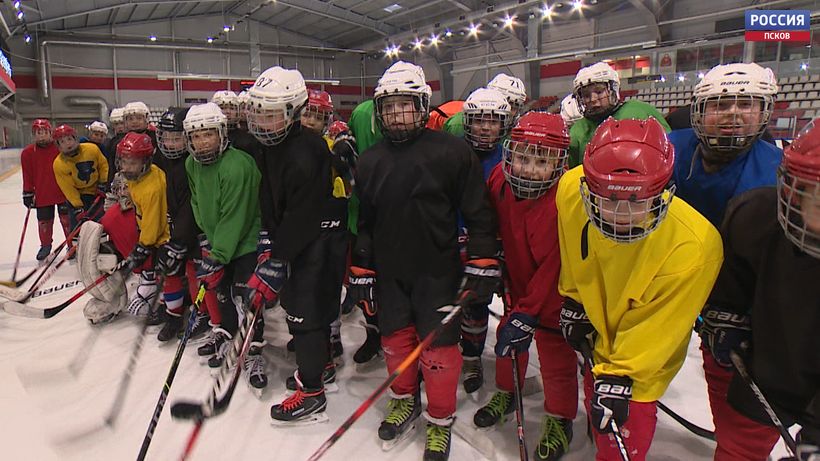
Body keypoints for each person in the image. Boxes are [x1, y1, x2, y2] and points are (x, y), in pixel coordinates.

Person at [351, 60, 498, 461]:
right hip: (391, 270)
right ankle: (403, 398)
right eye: (389, 106)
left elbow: (479, 211)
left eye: (405, 104)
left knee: (437, 351)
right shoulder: (369, 161)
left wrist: (484, 258)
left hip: (438, 269)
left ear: (421, 105)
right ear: (379, 111)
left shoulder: (452, 152)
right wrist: (361, 266)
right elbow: (364, 220)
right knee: (395, 342)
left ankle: (439, 418)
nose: (397, 114)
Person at [556, 117, 722, 460]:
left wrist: (622, 375)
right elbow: (573, 247)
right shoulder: (571, 190)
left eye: (635, 201)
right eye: (607, 199)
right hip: (599, 326)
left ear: (661, 190)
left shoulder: (695, 246)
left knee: (627, 426)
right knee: (595, 404)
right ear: (589, 185)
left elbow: (658, 329)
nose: (619, 214)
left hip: (644, 356)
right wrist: (574, 299)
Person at [698, 119, 820, 461]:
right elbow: (729, 285)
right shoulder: (754, 217)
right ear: (794, 193)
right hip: (767, 368)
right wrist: (725, 315)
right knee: (738, 450)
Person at [245, 65, 349, 420]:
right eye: (258, 113)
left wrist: (279, 257)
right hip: (296, 240)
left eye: (271, 115)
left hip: (319, 241)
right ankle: (323, 367)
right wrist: (269, 241)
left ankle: (312, 392)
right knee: (297, 306)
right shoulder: (268, 147)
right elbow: (271, 199)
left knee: (306, 314)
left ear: (293, 113)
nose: (262, 122)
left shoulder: (308, 151)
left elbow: (305, 214)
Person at [475, 111, 579, 460]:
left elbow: (556, 266)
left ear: (559, 163)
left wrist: (530, 311)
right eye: (522, 158)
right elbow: (491, 223)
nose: (529, 169)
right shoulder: (499, 180)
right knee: (507, 345)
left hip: (551, 300)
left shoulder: (565, 200)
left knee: (555, 360)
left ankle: (560, 418)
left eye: (541, 161)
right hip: (515, 287)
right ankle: (507, 390)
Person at [184, 102, 261, 370]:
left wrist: (217, 255)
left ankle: (254, 349)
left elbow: (235, 214)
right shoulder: (191, 165)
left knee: (245, 296)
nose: (202, 142)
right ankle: (228, 335)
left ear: (221, 133)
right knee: (222, 294)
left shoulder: (238, 165)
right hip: (220, 242)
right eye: (195, 135)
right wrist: (206, 237)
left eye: (208, 134)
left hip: (245, 242)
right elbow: (196, 201)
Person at [669, 62, 782, 227]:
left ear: (763, 114)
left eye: (745, 104)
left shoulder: (779, 168)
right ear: (700, 113)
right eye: (720, 105)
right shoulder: (669, 148)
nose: (732, 112)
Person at [457, 87, 512, 394]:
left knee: (497, 305)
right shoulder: (453, 152)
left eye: (493, 121)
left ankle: (488, 358)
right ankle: (468, 356)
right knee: (468, 303)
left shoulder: (511, 155)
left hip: (502, 243)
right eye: (479, 120)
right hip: (462, 242)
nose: (486, 127)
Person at [153, 108, 214, 342]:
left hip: (193, 233)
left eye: (176, 138)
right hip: (170, 232)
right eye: (166, 137)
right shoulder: (160, 161)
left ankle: (202, 314)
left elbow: (191, 205)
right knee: (170, 273)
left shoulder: (194, 163)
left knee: (194, 272)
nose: (169, 143)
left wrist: (180, 238)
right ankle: (173, 315)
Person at [568, 61, 669, 167]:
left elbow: (668, 148)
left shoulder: (640, 111)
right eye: (586, 95)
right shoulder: (578, 130)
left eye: (599, 92)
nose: (592, 99)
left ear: (613, 90)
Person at [114, 132, 170, 320]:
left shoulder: (151, 188)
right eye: (124, 161)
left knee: (166, 272)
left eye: (133, 163)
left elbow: (154, 223)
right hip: (149, 230)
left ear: (145, 162)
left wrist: (143, 245)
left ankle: (164, 304)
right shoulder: (138, 177)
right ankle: (150, 281)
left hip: (163, 237)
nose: (127, 167)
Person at [21, 119, 70, 262]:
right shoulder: (28, 153)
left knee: (67, 220)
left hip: (63, 191)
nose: (41, 136)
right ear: (33, 135)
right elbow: (27, 175)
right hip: (43, 194)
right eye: (38, 133)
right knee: (44, 222)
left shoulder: (60, 148)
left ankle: (72, 244)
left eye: (44, 132)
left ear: (50, 133)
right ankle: (45, 246)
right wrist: (28, 192)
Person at [52, 124, 109, 233]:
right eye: (62, 142)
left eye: (69, 139)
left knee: (101, 224)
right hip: (78, 197)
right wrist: (77, 206)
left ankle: (102, 247)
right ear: (58, 146)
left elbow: (103, 166)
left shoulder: (92, 149)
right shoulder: (59, 164)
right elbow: (68, 188)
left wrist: (103, 183)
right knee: (77, 228)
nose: (67, 143)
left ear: (75, 138)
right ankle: (77, 247)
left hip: (97, 193)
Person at [444, 73, 527, 137]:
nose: (507, 109)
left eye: (514, 106)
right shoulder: (459, 124)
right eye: (505, 102)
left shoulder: (511, 129)